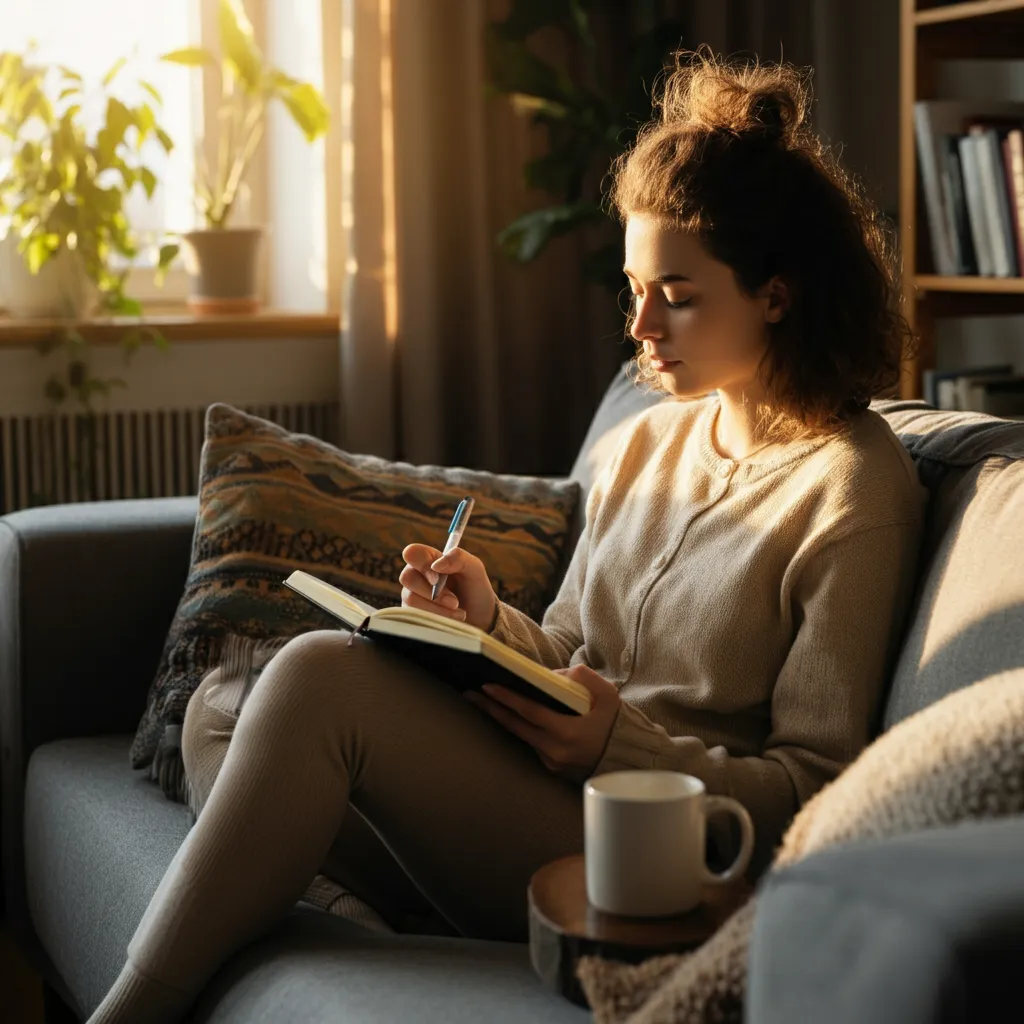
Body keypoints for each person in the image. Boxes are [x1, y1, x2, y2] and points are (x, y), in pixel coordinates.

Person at [88, 49, 926, 1023]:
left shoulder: (854, 487)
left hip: (644, 841)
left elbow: (813, 796)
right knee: (224, 700)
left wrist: (617, 740)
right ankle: (373, 916)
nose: (642, 325)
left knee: (317, 678)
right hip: (532, 784)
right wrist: (486, 623)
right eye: (634, 288)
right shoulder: (644, 443)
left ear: (776, 294)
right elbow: (568, 650)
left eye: (678, 294)